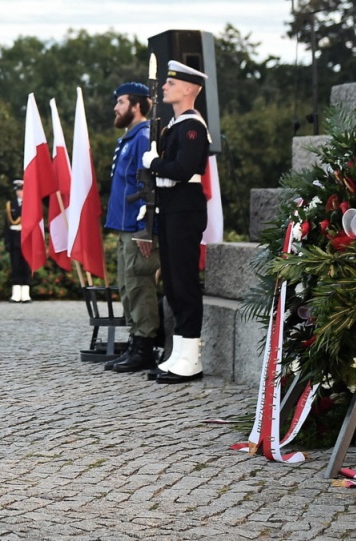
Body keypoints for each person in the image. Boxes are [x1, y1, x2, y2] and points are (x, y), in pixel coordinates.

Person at [142, 60, 211, 384]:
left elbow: (183, 169)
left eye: (172, 83)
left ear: (188, 89)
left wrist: (154, 163)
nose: (166, 87)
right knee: (172, 283)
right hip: (172, 207)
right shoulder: (176, 125)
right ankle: (180, 354)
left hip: (185, 208)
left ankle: (192, 358)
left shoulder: (192, 126)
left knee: (183, 282)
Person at [103, 82, 161, 374]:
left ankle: (145, 346)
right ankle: (135, 340)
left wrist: (144, 228)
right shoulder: (129, 137)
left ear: (137, 105)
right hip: (124, 225)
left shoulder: (143, 136)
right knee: (127, 286)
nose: (116, 107)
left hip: (136, 227)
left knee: (140, 284)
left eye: (121, 102)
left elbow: (146, 185)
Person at [4, 179, 31, 303]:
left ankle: (25, 293)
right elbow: (7, 225)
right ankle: (16, 293)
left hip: (27, 239)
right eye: (19, 190)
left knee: (26, 267)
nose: (21, 192)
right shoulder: (11, 205)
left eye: (23, 190)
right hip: (14, 238)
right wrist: (7, 241)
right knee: (15, 266)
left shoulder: (31, 204)